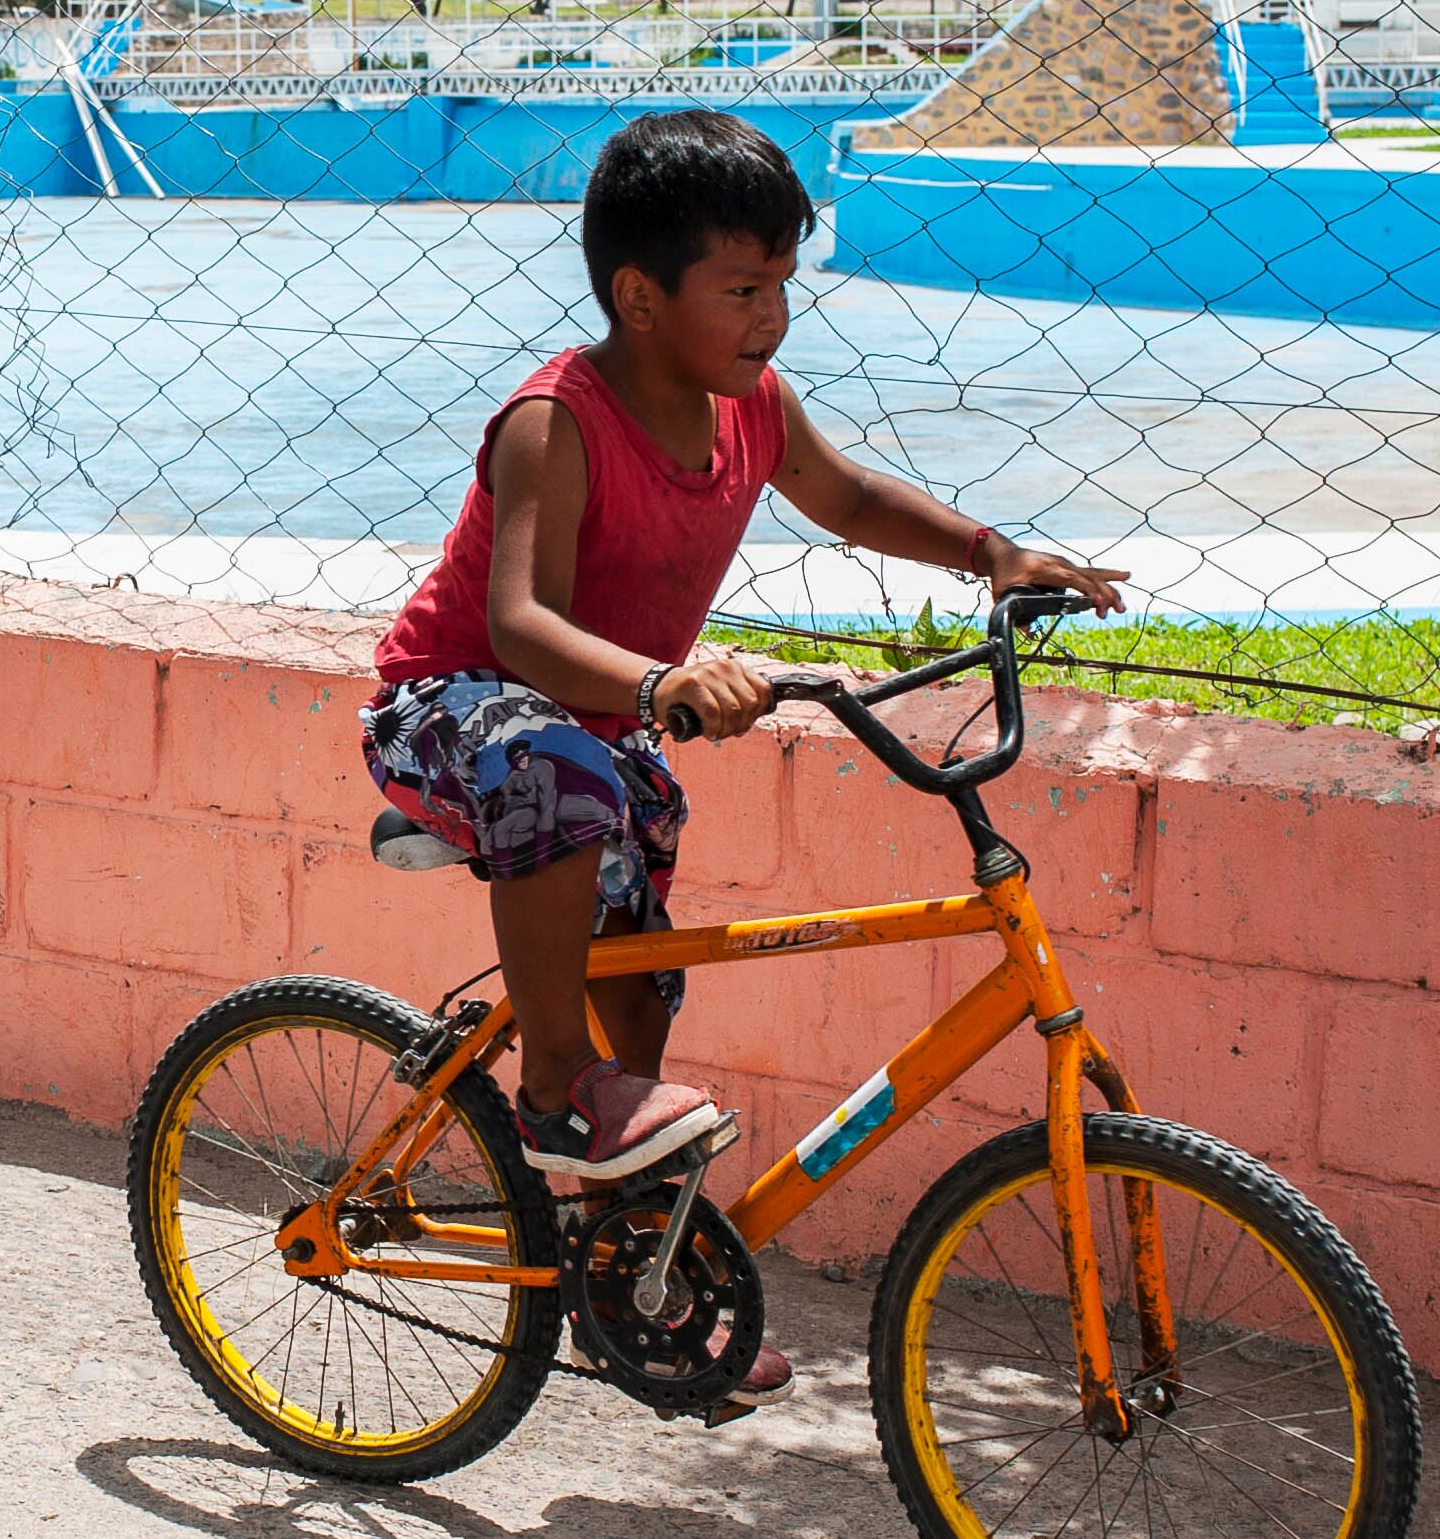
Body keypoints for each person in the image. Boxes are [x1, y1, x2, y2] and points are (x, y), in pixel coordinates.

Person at [362, 108, 1127, 1409]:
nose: (770, 316)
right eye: (740, 290)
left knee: (646, 972)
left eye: (783, 285)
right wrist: (664, 681)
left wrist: (990, 551)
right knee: (572, 780)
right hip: (454, 705)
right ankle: (551, 1089)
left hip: (598, 732)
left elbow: (847, 500)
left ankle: (635, 1268)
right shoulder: (559, 418)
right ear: (640, 298)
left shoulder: (754, 407)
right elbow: (521, 624)